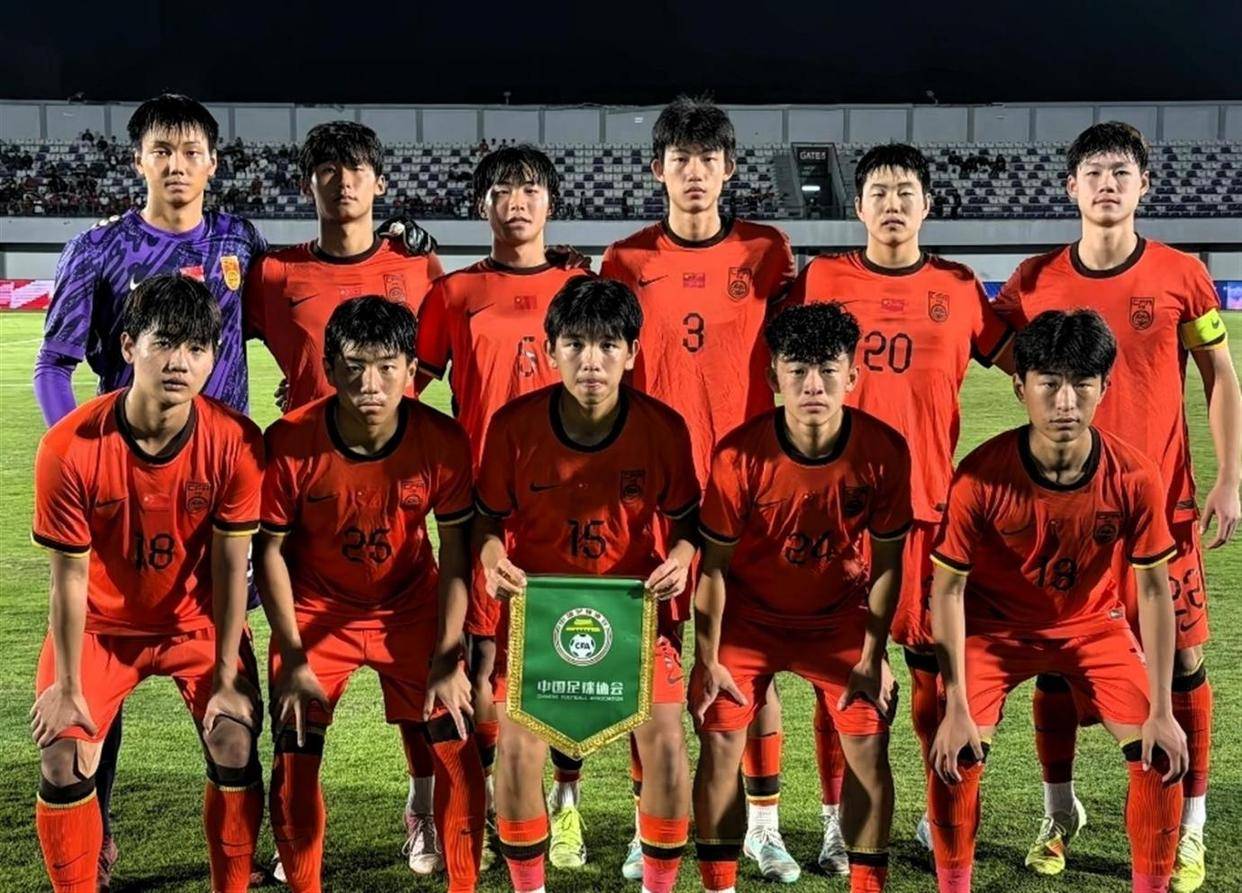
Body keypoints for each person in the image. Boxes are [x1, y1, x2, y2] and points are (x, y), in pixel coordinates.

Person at [994, 122, 1241, 891]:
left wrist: (1230, 477)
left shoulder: (1182, 275)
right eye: (1095, 172)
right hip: (1061, 513)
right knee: (1056, 658)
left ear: (1144, 185)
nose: (1108, 183)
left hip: (1160, 510)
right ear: (1071, 187)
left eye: (1122, 171)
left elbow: (1221, 375)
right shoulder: (1032, 282)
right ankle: (1058, 813)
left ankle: (1191, 824)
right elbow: (990, 349)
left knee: (1183, 662)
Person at [31, 93, 267, 891]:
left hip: (217, 494)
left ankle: (236, 858)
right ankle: (90, 839)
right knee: (90, 713)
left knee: (234, 712)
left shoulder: (239, 239)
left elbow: (292, 310)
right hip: (122, 491)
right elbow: (53, 363)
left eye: (190, 149)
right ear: (138, 159)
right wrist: (91, 455)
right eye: (161, 149)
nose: (176, 163)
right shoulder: (100, 247)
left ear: (213, 162)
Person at [788, 143, 1011, 868]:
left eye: (905, 191)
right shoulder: (822, 279)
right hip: (838, 514)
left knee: (930, 673)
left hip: (926, 513)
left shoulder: (958, 286)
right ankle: (836, 820)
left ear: (927, 205)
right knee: (839, 675)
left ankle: (932, 812)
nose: (892, 203)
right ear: (858, 206)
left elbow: (1028, 365)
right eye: (879, 191)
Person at [601, 95, 797, 882]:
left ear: (729, 168)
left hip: (747, 494)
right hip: (650, 498)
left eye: (708, 159)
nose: (694, 172)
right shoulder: (625, 260)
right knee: (647, 668)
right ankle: (645, 825)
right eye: (679, 159)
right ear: (658, 169)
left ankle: (763, 825)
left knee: (748, 664)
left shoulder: (767, 252)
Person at [927, 308, 1190, 893]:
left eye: (1082, 384)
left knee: (1160, 757)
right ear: (1020, 388)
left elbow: (1153, 589)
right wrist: (956, 702)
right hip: (996, 633)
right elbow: (947, 589)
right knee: (955, 759)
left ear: (1105, 387)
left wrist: (1162, 709)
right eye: (1049, 383)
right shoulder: (980, 477)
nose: (1065, 402)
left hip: (1094, 626)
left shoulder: (1134, 475)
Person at [475, 277, 699, 893]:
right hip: (539, 613)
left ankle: (659, 886)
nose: (591, 361)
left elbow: (687, 522)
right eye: (575, 344)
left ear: (632, 352)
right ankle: (529, 886)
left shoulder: (663, 428)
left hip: (631, 613)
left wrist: (681, 557)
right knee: (516, 747)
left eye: (607, 345)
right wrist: (492, 558)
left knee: (667, 742)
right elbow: (486, 521)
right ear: (550, 350)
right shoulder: (513, 426)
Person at [256, 296, 485, 892]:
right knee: (295, 749)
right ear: (330, 368)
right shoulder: (289, 440)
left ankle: (458, 876)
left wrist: (447, 654)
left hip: (409, 605)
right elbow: (269, 552)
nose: (371, 384)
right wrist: (293, 656)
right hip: (316, 609)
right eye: (355, 366)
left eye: (387, 366)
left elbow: (456, 552)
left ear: (412, 369)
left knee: (458, 747)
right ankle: (303, 880)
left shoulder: (442, 440)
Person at [691, 302, 909, 893]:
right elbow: (713, 568)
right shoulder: (738, 455)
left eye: (828, 370)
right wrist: (707, 659)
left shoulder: (884, 450)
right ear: (773, 377)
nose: (813, 385)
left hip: (838, 621)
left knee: (869, 744)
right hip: (751, 620)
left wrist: (874, 656)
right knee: (719, 741)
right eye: (798, 371)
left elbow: (889, 564)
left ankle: (865, 884)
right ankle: (720, 885)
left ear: (852, 376)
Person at [416, 143, 592, 869]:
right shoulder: (454, 293)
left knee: (567, 650)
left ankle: (567, 802)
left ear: (551, 202)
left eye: (529, 190)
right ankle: (491, 803)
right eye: (501, 191)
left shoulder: (581, 286)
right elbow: (405, 388)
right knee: (484, 654)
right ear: (481, 205)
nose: (516, 202)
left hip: (572, 498)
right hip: (484, 502)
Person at [245, 120, 443, 419]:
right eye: (329, 170)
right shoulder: (272, 273)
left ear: (380, 184)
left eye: (357, 168)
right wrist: (304, 383)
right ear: (305, 186)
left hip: (397, 443)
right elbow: (219, 343)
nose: (344, 181)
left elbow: (442, 351)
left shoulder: (419, 264)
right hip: (307, 442)